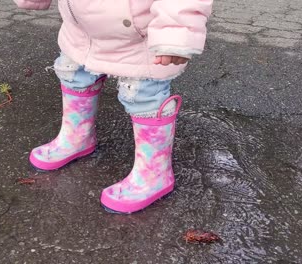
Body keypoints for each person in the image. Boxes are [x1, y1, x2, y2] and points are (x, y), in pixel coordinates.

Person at [13, 0, 213, 214]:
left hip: (140, 38)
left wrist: (176, 33)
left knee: (143, 95)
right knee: (73, 72)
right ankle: (77, 136)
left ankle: (154, 173)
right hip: (82, 30)